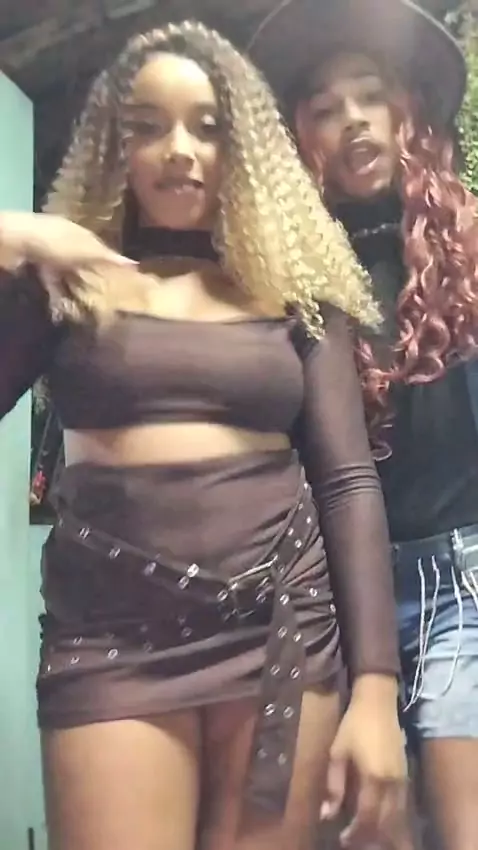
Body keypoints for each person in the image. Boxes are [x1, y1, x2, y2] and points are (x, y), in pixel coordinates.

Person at [0, 20, 407, 850]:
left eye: (208, 127)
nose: (179, 150)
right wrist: (12, 238)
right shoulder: (63, 282)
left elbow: (347, 481)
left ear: (243, 150)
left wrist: (375, 690)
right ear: (114, 146)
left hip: (281, 629)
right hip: (109, 641)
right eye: (147, 127)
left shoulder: (296, 292)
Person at [248, 1, 478, 848]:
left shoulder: (467, 246)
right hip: (331, 586)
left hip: (461, 579)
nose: (352, 119)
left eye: (369, 95)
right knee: (359, 829)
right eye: (325, 106)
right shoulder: (280, 275)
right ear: (299, 133)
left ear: (405, 111)